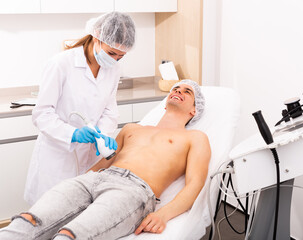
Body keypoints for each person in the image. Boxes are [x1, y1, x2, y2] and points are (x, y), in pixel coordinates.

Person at [1, 80, 211, 240]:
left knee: (69, 235)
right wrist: (80, 182)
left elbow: (195, 184)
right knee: (28, 221)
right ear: (165, 103)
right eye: (176, 89)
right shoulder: (132, 129)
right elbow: (104, 162)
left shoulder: (195, 138)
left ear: (194, 110)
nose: (178, 92)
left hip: (133, 191)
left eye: (187, 92)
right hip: (93, 180)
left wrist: (163, 215)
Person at [24, 12, 136, 205]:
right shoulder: (61, 64)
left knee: (79, 211)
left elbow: (109, 109)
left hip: (90, 156)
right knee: (49, 212)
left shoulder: (114, 70)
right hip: (58, 156)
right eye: (111, 53)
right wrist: (72, 134)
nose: (115, 60)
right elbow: (42, 113)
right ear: (97, 36)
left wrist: (104, 135)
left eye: (121, 56)